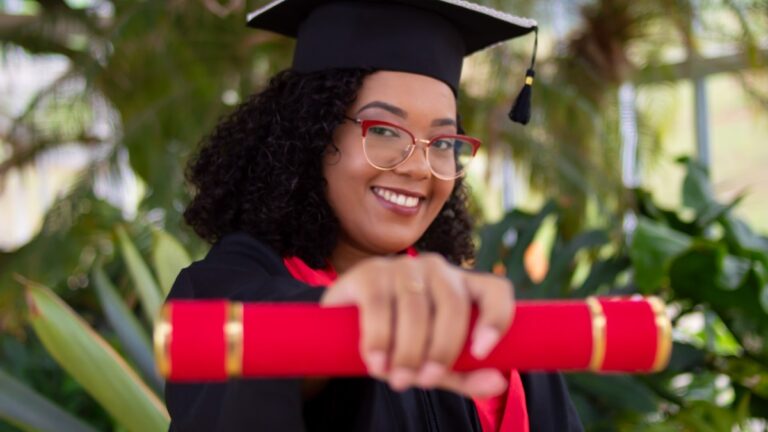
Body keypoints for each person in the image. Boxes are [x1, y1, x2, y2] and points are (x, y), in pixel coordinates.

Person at [165, 0, 583, 430]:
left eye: (442, 142)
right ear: (312, 131)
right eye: (383, 131)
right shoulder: (223, 290)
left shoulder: (484, 321)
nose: (419, 167)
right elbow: (252, 356)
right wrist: (352, 317)